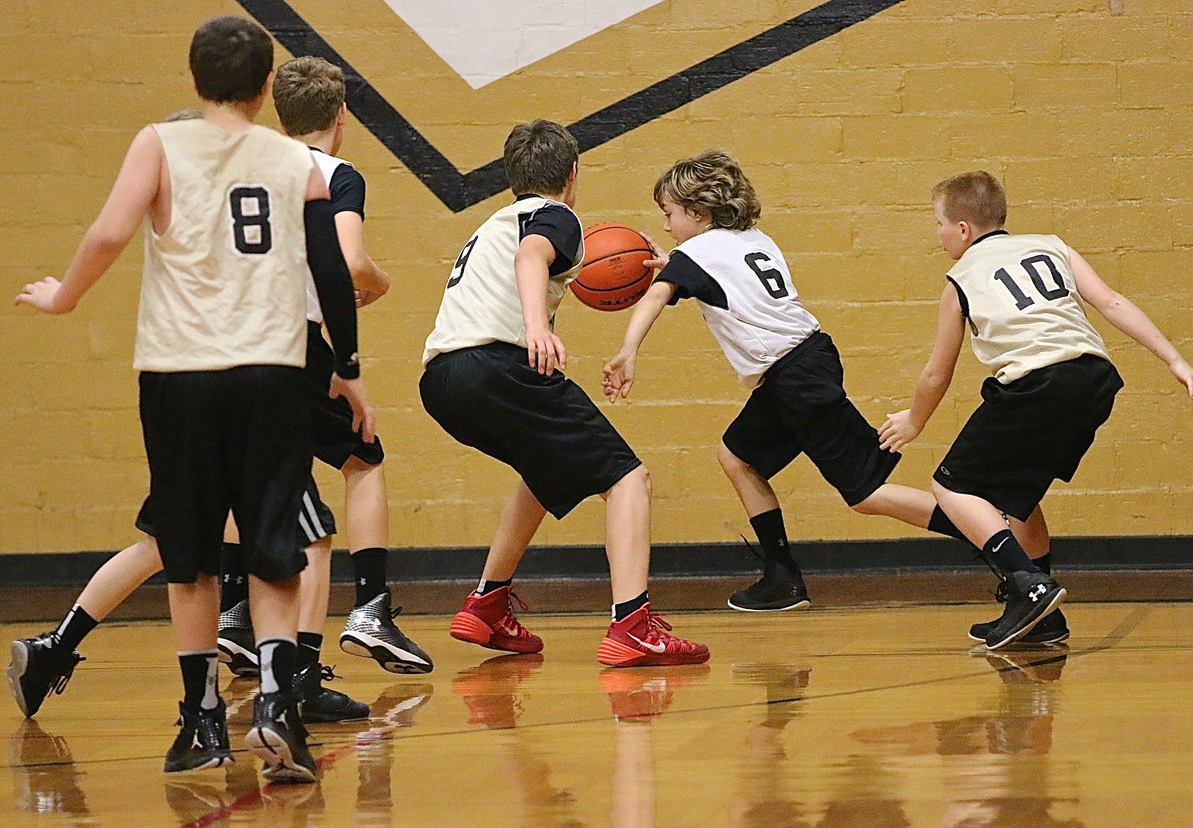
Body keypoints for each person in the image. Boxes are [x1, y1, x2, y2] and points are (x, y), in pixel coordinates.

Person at [12, 16, 374, 781]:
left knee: (190, 555)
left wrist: (63, 298)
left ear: (193, 79)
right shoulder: (295, 159)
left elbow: (111, 234)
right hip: (272, 374)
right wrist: (345, 363)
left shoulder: (159, 143)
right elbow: (332, 272)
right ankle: (276, 703)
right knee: (277, 546)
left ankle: (202, 720)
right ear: (267, 86)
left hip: (179, 376)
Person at [602, 149, 972, 613]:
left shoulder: (695, 253)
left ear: (697, 212)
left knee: (865, 495)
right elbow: (711, 276)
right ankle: (782, 577)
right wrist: (676, 261)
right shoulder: (755, 239)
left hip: (796, 377)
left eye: (669, 213)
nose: (665, 224)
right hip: (799, 368)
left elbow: (658, 294)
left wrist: (628, 349)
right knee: (737, 455)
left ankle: (990, 536)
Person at [418, 119, 708, 667]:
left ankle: (487, 603)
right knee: (627, 478)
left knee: (545, 470)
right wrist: (536, 326)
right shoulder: (557, 217)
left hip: (441, 380)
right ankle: (633, 625)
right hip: (496, 363)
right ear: (573, 174)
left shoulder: (492, 222)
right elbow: (532, 257)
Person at [877, 170, 1193, 649]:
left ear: (962, 228)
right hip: (1093, 378)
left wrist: (914, 421)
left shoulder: (960, 278)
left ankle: (1027, 584)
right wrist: (1175, 360)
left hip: (1037, 381)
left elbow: (936, 374)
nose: (937, 233)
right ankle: (1043, 619)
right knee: (1018, 495)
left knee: (950, 485)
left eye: (938, 224)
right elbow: (1111, 301)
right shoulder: (1052, 245)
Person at [217, 55, 432, 679]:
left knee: (242, 469)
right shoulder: (336, 174)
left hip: (233, 340)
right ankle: (368, 609)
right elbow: (348, 257)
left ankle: (233, 611)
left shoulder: (249, 167)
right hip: (296, 342)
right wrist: (380, 284)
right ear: (341, 116)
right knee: (363, 457)